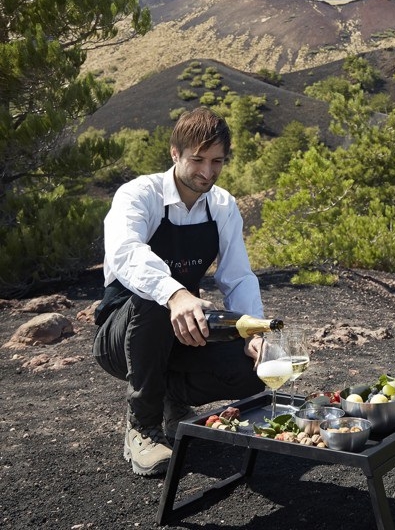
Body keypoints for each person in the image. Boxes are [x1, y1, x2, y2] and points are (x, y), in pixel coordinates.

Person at [92, 107, 267, 476]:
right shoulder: (139, 195)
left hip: (180, 332)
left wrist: (256, 331)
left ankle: (175, 403)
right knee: (155, 297)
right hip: (122, 335)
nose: (207, 172)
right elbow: (126, 252)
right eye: (198, 159)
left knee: (256, 368)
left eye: (217, 161)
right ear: (175, 153)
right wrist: (174, 293)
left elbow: (237, 277)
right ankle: (142, 427)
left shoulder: (222, 206)